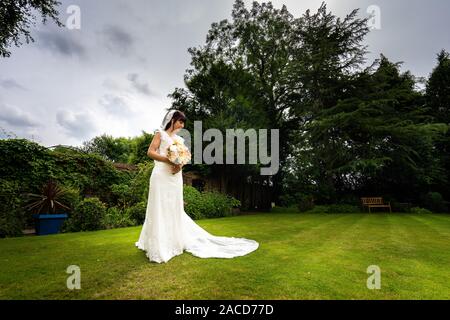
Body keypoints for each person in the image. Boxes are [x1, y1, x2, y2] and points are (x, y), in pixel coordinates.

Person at [135, 109, 259, 263]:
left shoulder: (179, 140)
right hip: (161, 175)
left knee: (174, 207)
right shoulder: (160, 134)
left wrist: (179, 165)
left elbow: (184, 157)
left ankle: (173, 241)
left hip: (175, 177)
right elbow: (150, 152)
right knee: (159, 206)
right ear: (172, 120)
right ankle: (158, 244)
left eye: (183, 122)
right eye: (180, 121)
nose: (182, 125)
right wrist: (168, 160)